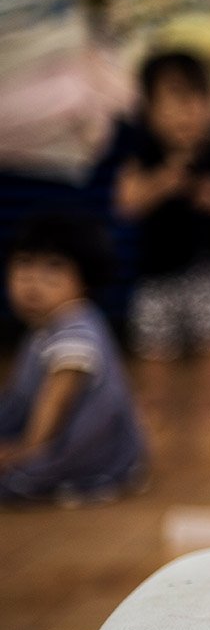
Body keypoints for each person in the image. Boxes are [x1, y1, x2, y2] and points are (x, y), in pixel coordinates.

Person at [109, 50, 210, 423]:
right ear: (148, 108)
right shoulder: (144, 153)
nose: (186, 113)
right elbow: (126, 202)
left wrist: (209, 192)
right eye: (172, 103)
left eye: (196, 101)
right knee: (154, 345)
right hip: (156, 271)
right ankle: (155, 405)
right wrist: (163, 181)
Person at [0, 211, 146, 504]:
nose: (33, 281)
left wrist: (23, 451)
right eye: (24, 264)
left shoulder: (75, 335)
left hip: (82, 457)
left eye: (53, 268)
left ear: (86, 279)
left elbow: (55, 403)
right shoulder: (49, 326)